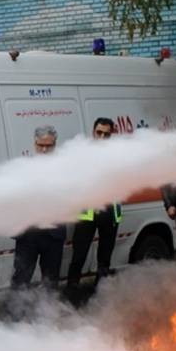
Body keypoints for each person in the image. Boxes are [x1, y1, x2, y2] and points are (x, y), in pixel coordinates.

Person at [67, 117, 122, 292]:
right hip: (87, 214)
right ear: (93, 132)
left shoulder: (119, 155)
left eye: (106, 134)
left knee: (104, 258)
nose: (102, 137)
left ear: (111, 135)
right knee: (79, 256)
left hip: (110, 213)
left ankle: (101, 292)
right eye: (99, 133)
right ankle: (72, 290)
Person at [11, 126, 65, 291]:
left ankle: (48, 313)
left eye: (48, 146)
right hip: (28, 235)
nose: (44, 150)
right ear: (34, 144)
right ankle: (17, 313)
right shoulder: (23, 168)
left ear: (55, 145)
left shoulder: (65, 169)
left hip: (53, 235)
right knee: (21, 279)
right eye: (40, 145)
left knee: (51, 281)